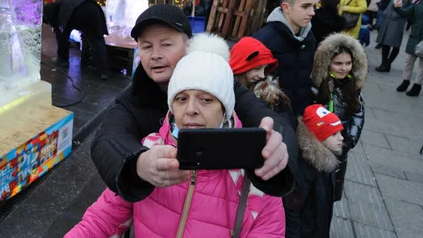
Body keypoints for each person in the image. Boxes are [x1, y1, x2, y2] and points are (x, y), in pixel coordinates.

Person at [68, 34, 286, 238]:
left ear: (225, 108)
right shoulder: (150, 150)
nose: (190, 109)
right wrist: (136, 169)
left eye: (206, 99)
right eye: (181, 98)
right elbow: (101, 220)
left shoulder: (255, 172)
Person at [91, 5, 297, 203]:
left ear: (189, 46)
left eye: (166, 44)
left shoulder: (219, 84)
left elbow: (268, 119)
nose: (155, 55)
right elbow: (107, 138)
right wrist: (138, 165)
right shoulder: (135, 96)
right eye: (146, 46)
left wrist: (277, 149)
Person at [311, 33, 367, 201]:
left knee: (331, 188)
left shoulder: (352, 86)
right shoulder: (317, 86)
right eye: (338, 63)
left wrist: (351, 138)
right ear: (327, 63)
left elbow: (359, 112)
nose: (344, 68)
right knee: (314, 189)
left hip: (341, 144)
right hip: (317, 144)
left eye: (348, 63)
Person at [253, 0, 318, 115]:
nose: (312, 12)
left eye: (313, 6)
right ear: (286, 7)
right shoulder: (264, 41)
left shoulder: (309, 37)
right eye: (305, 6)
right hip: (274, 119)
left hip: (301, 116)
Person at [284, 104, 344, 237]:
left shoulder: (327, 159)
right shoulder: (303, 170)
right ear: (318, 137)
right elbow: (291, 214)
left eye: (340, 132)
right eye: (334, 134)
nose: (341, 138)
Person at [229, 36, 296, 129]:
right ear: (241, 68)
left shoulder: (271, 96)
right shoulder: (224, 93)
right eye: (257, 68)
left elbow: (287, 121)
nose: (262, 75)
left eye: (265, 69)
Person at [42, 0, 111, 80]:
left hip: (73, 11)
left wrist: (57, 28)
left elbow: (60, 35)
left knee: (61, 36)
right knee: (97, 41)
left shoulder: (47, 10)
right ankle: (104, 71)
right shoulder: (58, 5)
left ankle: (63, 61)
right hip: (92, 8)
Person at [375, 0, 416, 72]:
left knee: (395, 43)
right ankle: (383, 63)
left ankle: (388, 63)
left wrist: (400, 15)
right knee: (385, 43)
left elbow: (410, 10)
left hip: (398, 21)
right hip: (388, 18)